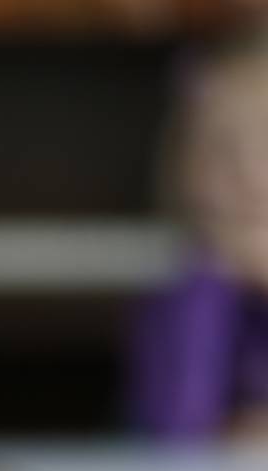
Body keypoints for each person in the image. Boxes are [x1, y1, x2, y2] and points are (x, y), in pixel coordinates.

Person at [127, 23, 268, 442]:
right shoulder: (179, 286)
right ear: (180, 169)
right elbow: (180, 424)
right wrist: (212, 282)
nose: (248, 177)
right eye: (219, 149)